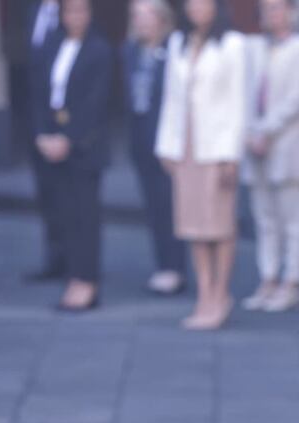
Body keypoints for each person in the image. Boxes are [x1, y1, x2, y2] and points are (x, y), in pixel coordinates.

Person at [156, 0, 246, 330]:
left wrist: (231, 155)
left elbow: (238, 101)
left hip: (216, 148)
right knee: (193, 226)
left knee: (219, 227)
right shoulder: (178, 42)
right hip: (185, 147)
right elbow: (170, 97)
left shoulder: (232, 44)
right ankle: (204, 294)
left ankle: (221, 294)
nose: (197, 7)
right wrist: (166, 145)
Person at [32, 0, 112, 311]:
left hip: (84, 147)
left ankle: (87, 281)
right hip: (53, 142)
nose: (75, 16)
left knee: (85, 217)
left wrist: (69, 138)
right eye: (70, 11)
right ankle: (72, 277)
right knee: (65, 215)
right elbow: (41, 93)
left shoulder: (99, 50)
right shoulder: (53, 46)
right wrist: (43, 133)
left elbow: (95, 102)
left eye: (81, 10)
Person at [240, 0, 299, 313]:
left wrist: (265, 131)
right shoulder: (252, 47)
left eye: (278, 7)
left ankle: (292, 281)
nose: (273, 14)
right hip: (254, 145)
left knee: (292, 219)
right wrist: (249, 132)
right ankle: (268, 277)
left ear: (291, 12)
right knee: (264, 218)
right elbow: (243, 93)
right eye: (267, 9)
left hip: (285, 145)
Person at [122, 0, 186, 296]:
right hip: (140, 142)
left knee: (170, 206)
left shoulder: (174, 48)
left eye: (148, 16)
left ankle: (175, 267)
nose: (142, 22)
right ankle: (162, 265)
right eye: (137, 16)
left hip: (167, 143)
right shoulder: (131, 51)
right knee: (153, 208)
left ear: (162, 19)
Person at [24, 0, 64, 282]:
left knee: (70, 195)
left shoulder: (73, 11)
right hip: (34, 118)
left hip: (64, 121)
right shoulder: (31, 9)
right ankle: (53, 257)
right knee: (46, 193)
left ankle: (77, 263)